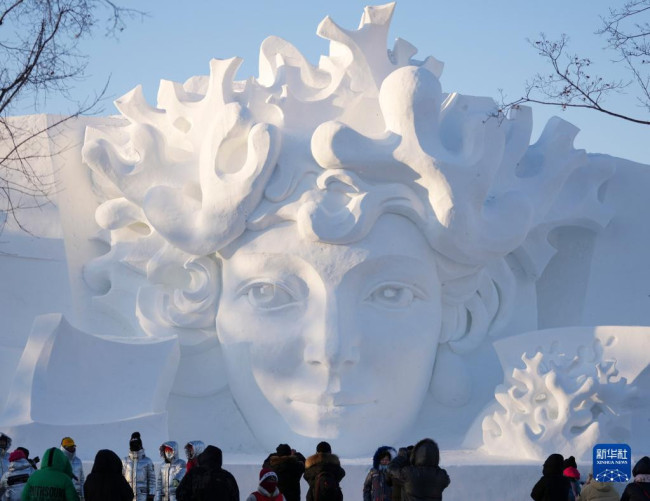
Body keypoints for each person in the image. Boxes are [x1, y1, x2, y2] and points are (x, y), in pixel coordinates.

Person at [122, 432, 155, 501]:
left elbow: (151, 479)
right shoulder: (124, 461)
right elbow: (121, 479)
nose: (134, 445)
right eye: (132, 444)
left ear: (140, 445)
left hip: (142, 496)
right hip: (128, 496)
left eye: (136, 443)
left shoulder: (147, 461)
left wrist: (151, 495)